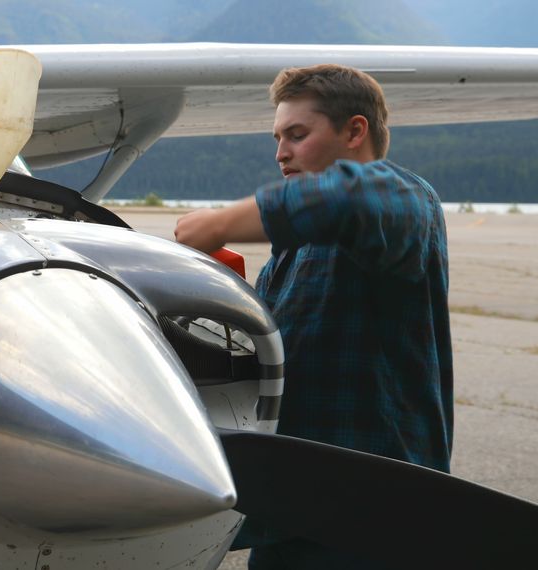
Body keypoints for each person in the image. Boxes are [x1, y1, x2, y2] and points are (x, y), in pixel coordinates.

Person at [173, 64, 453, 568]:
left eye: (297, 135)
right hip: (291, 505)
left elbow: (351, 197)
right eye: (278, 137)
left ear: (354, 131)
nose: (281, 152)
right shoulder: (292, 250)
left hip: (374, 510)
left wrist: (215, 223)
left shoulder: (404, 197)